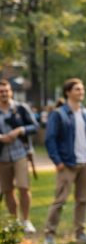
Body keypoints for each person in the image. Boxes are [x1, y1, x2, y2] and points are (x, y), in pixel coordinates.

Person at [44, 78, 86, 244]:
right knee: (60, 200)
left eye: (82, 89)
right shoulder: (58, 113)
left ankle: (80, 233)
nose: (81, 92)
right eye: (77, 89)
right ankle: (49, 235)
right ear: (68, 92)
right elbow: (50, 139)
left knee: (81, 200)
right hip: (67, 164)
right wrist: (57, 161)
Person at [0, 80, 39, 233]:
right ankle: (14, 222)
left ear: (11, 92)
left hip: (20, 153)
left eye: (6, 90)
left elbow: (35, 126)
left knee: (23, 187)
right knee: (8, 190)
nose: (3, 93)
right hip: (2, 156)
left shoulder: (21, 108)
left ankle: (26, 221)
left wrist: (19, 130)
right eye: (0, 91)